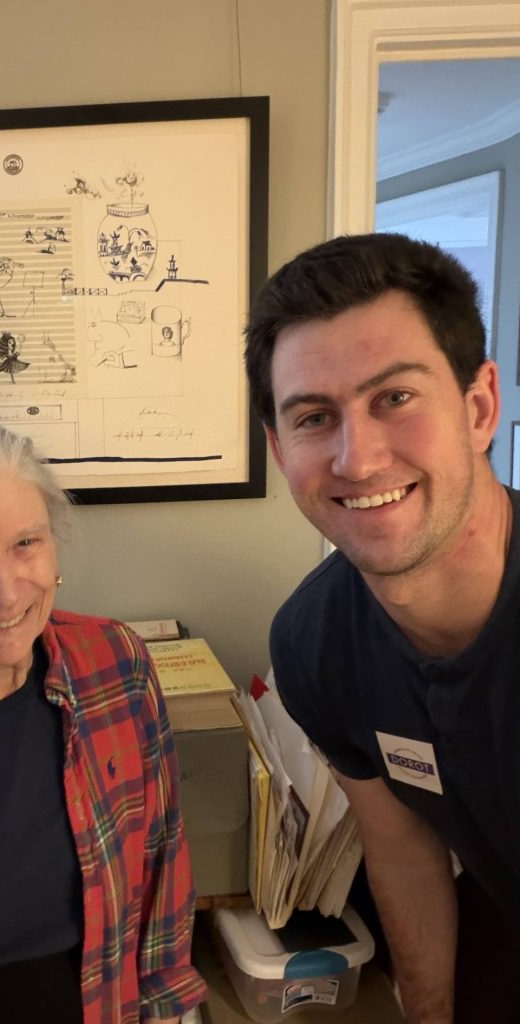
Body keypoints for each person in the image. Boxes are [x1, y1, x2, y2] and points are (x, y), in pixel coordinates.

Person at [245, 232, 519, 1024]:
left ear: (478, 408)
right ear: (278, 448)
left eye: (394, 398)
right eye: (314, 416)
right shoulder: (313, 645)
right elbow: (403, 851)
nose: (357, 459)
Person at [0, 419, 206, 1024]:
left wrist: (164, 1005)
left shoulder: (116, 663)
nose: (4, 590)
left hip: (95, 1003)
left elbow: (161, 850)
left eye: (26, 543)